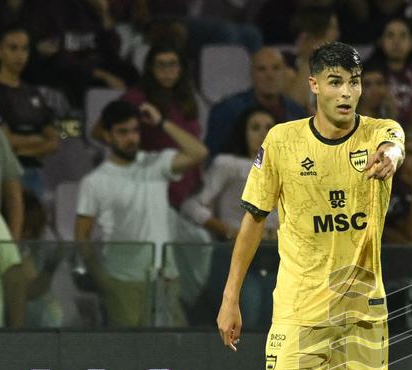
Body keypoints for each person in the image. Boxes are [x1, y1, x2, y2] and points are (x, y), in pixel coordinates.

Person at [216, 42, 406, 370]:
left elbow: (395, 143)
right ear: (314, 86)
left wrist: (391, 157)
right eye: (336, 82)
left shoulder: (379, 134)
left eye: (354, 82)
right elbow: (254, 220)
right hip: (298, 308)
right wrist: (230, 297)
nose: (347, 92)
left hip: (362, 313)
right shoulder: (282, 141)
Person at [75, 100, 208, 327]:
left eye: (135, 130)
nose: (131, 138)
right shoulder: (95, 181)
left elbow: (199, 152)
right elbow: (81, 236)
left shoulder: (156, 163)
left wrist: (161, 122)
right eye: (123, 132)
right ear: (107, 135)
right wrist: (102, 281)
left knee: (174, 345)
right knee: (131, 347)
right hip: (122, 280)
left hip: (164, 276)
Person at [181, 106, 278, 327]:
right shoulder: (227, 164)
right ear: (243, 132)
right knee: (248, 310)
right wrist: (227, 230)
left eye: (269, 128)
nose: (263, 134)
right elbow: (191, 205)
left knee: (273, 315)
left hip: (274, 255)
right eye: (255, 128)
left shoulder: (289, 168)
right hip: (233, 253)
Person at [120, 43, 202, 209]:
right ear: (150, 68)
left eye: (172, 64)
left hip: (189, 183)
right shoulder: (135, 99)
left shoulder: (186, 98)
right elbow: (101, 131)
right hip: (153, 183)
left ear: (181, 68)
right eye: (161, 65)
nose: (167, 71)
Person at [0, 24, 58, 200]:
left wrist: (20, 148)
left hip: (35, 173)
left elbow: (53, 142)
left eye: (24, 49)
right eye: (13, 48)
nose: (20, 55)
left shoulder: (33, 93)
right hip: (5, 175)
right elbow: (4, 141)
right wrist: (38, 140)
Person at [204, 48, 307, 158]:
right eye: (262, 69)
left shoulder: (297, 112)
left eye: (276, 68)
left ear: (284, 73)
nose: (270, 76)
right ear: (251, 74)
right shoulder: (227, 110)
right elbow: (212, 157)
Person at [368, 18, 412, 127]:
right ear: (380, 41)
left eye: (403, 36)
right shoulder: (369, 75)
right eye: (390, 35)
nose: (396, 42)